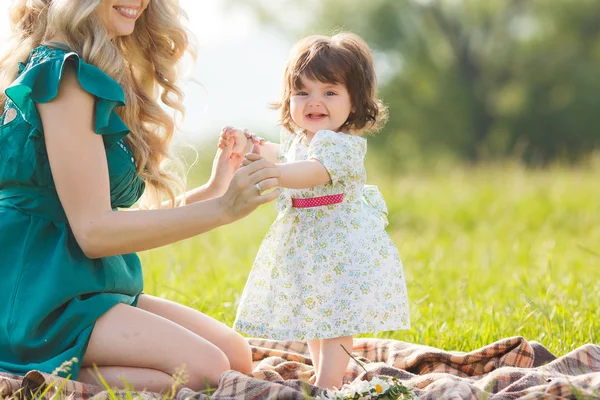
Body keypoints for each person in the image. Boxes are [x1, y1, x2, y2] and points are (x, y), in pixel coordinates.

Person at [0, 0, 281, 394]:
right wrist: (222, 210)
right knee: (207, 371)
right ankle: (28, 375)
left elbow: (100, 216)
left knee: (234, 354)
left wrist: (215, 190)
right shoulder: (63, 78)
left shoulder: (82, 70)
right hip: (35, 296)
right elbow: (95, 232)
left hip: (77, 283)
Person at [222, 32, 411, 389]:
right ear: (289, 99)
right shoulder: (300, 140)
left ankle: (329, 384)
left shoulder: (341, 146)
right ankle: (321, 372)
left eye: (329, 92)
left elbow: (313, 171)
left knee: (336, 317)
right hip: (305, 244)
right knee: (311, 312)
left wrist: (275, 174)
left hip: (338, 244)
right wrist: (251, 147)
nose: (314, 102)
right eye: (302, 92)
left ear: (354, 102)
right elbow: (283, 155)